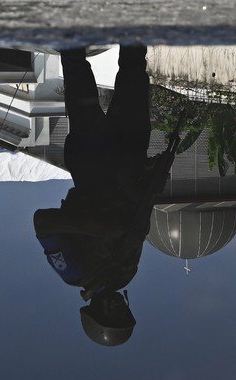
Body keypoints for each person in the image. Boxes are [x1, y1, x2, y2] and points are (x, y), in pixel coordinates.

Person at [33, 46, 179, 346]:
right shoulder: (126, 272)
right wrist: (152, 180)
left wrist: (94, 227)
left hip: (92, 163)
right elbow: (138, 218)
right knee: (135, 71)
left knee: (77, 72)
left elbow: (43, 223)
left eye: (111, 314)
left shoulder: (75, 273)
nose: (117, 307)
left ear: (95, 311)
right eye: (122, 313)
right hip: (130, 160)